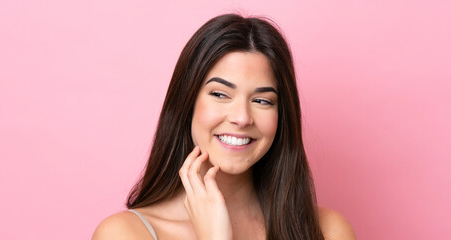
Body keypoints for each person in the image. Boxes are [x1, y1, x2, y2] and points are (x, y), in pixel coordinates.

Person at [92, 14, 356, 240]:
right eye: (219, 94)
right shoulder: (126, 233)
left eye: (262, 100)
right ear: (186, 102)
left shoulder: (328, 231)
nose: (242, 118)